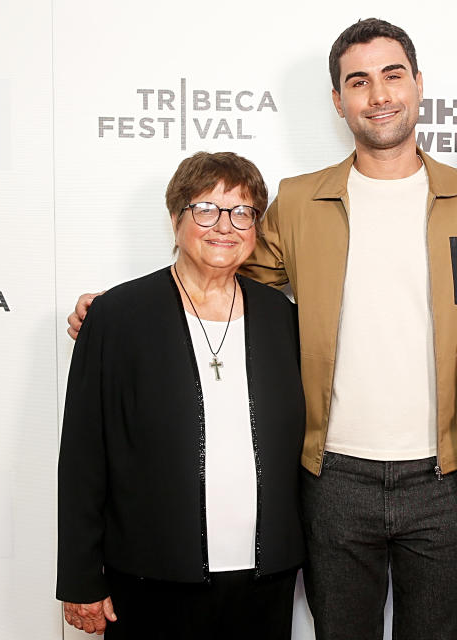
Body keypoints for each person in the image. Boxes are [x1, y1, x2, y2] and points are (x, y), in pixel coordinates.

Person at [66, 20, 457, 640]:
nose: (379, 94)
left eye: (392, 75)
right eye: (358, 81)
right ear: (338, 100)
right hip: (333, 478)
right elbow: (220, 263)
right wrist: (129, 310)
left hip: (449, 474)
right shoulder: (298, 200)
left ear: (419, 85)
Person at [57, 152, 305, 639]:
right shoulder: (118, 317)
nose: (225, 226)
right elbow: (84, 455)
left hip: (265, 576)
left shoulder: (282, 316)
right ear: (176, 220)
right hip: (150, 575)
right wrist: (81, 578)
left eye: (242, 212)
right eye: (206, 209)